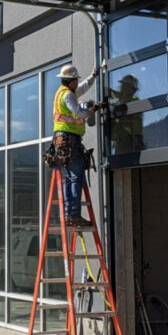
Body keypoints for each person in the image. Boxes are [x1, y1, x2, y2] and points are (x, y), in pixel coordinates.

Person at [52, 64, 100, 227]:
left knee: (69, 179)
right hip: (69, 139)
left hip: (62, 141)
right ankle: (74, 215)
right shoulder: (68, 96)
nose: (76, 83)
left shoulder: (63, 93)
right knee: (76, 178)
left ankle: (68, 215)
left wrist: (93, 76)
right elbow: (79, 113)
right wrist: (92, 110)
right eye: (75, 80)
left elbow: (83, 87)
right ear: (71, 80)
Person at [109, 74, 144, 154]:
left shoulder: (134, 100)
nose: (124, 88)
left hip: (132, 139)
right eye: (124, 85)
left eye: (127, 86)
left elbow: (130, 119)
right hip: (123, 140)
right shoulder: (121, 99)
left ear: (133, 89)